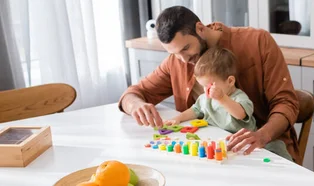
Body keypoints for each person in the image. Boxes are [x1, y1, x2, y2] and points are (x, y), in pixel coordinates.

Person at [118, 6, 300, 161]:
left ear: (200, 28)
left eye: (186, 48)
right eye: (175, 54)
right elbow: (133, 93)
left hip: (263, 150)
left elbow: (286, 103)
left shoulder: (257, 41)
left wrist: (262, 135)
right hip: (213, 154)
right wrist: (136, 105)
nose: (183, 60)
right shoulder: (178, 61)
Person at [162, 47, 292, 160]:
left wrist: (222, 98)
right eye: (203, 86)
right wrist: (177, 118)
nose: (207, 91)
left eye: (211, 86)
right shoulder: (205, 98)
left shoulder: (238, 97)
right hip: (222, 142)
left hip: (245, 142)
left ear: (230, 81)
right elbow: (195, 110)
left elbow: (240, 114)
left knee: (276, 147)